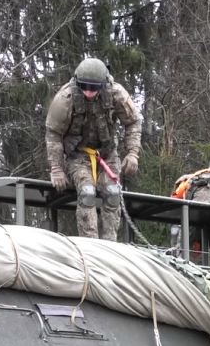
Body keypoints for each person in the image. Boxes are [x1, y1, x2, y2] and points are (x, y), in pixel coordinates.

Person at [45, 58, 142, 240]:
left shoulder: (116, 94)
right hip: (77, 156)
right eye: (84, 87)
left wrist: (133, 152)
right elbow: (53, 133)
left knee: (113, 194)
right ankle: (90, 246)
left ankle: (110, 245)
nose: (89, 92)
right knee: (87, 193)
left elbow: (133, 121)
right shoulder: (66, 98)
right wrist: (56, 168)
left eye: (94, 88)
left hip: (106, 155)